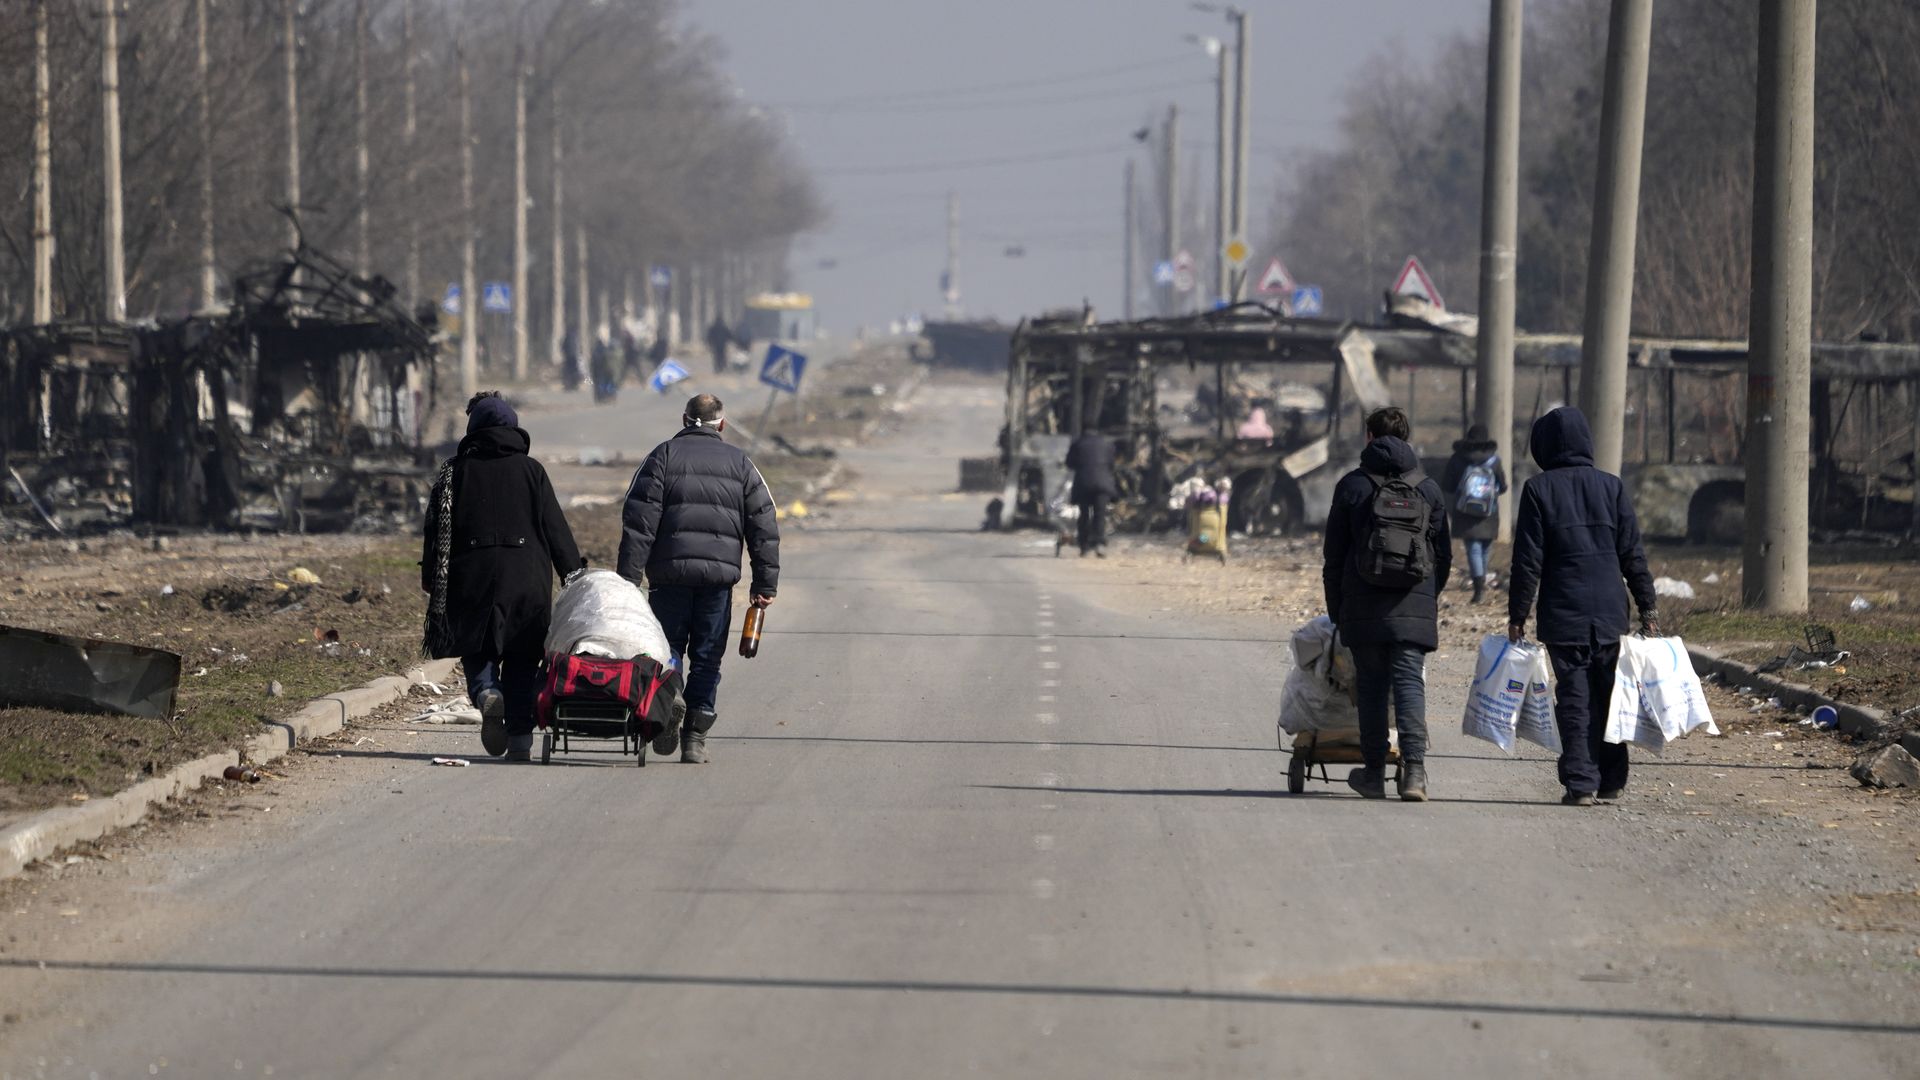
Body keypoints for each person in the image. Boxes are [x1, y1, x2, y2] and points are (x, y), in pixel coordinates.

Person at [1506, 406, 1658, 807]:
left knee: (1575, 699)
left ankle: (1581, 783)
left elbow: (1527, 561)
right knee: (1609, 696)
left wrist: (1517, 615)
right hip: (1610, 611)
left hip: (1564, 612)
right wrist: (1648, 607)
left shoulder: (1538, 490)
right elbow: (1633, 554)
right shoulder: (1611, 487)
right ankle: (1611, 780)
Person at [617, 394, 780, 763]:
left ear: (684, 419)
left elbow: (638, 522)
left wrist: (628, 580)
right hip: (717, 583)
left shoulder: (662, 456)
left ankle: (670, 694)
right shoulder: (741, 463)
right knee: (707, 659)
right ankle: (694, 737)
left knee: (668, 650)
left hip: (669, 578)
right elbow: (764, 526)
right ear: (721, 424)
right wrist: (764, 584)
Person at [421, 392, 583, 762]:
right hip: (527, 577)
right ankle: (521, 740)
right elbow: (555, 528)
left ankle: (486, 693)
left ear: (473, 428)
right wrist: (573, 574)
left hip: (471, 575)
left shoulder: (454, 471)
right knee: (523, 658)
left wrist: (431, 575)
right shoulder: (532, 471)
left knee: (478, 647)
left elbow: (435, 530)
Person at [1321, 406, 1451, 801]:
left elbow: (1334, 556)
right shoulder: (1428, 488)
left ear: (1369, 437)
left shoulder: (1352, 486)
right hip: (1414, 604)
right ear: (1407, 438)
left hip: (1363, 607)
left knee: (1372, 687)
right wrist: (1426, 598)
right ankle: (1415, 774)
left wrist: (1337, 610)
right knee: (1410, 683)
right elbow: (1443, 557)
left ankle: (1374, 773)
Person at [1441, 423, 1509, 604]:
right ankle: (1481, 583)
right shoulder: (1494, 461)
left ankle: (1479, 589)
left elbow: (1448, 485)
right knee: (1485, 547)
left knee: (1473, 548)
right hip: (1489, 511)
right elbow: (1503, 486)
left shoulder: (1458, 459)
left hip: (1465, 510)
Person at [1064, 426, 1117, 557]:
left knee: (1084, 515)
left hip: (1084, 484)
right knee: (1100, 514)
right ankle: (1099, 544)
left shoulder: (1077, 444)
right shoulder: (1107, 444)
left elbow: (1069, 463)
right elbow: (1111, 464)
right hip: (1103, 484)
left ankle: (1084, 546)